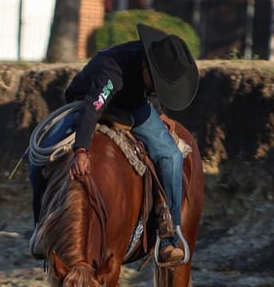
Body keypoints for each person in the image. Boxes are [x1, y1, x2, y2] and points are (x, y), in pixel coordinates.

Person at [29, 23, 199, 265]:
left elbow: (148, 91)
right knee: (38, 161)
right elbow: (93, 107)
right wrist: (81, 149)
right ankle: (41, 227)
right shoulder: (112, 71)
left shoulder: (151, 68)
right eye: (157, 83)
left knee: (171, 154)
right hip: (89, 101)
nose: (158, 88)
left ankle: (171, 234)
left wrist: (158, 111)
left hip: (132, 105)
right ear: (146, 67)